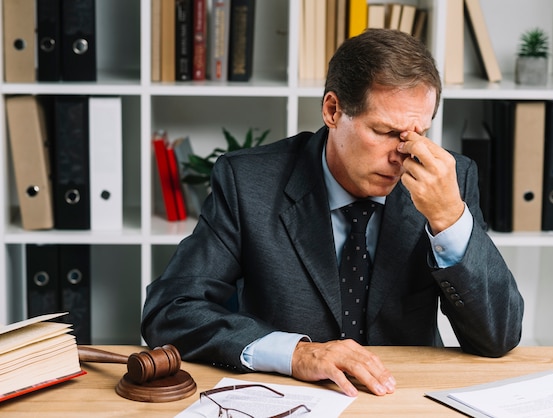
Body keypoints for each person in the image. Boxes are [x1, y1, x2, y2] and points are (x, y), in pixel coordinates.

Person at [141, 28, 524, 398]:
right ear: (332, 110)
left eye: (417, 134)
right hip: (286, 396)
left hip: (405, 397)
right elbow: (170, 311)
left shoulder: (448, 182)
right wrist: (296, 354)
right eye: (385, 131)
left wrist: (449, 221)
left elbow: (498, 337)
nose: (402, 155)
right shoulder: (248, 182)